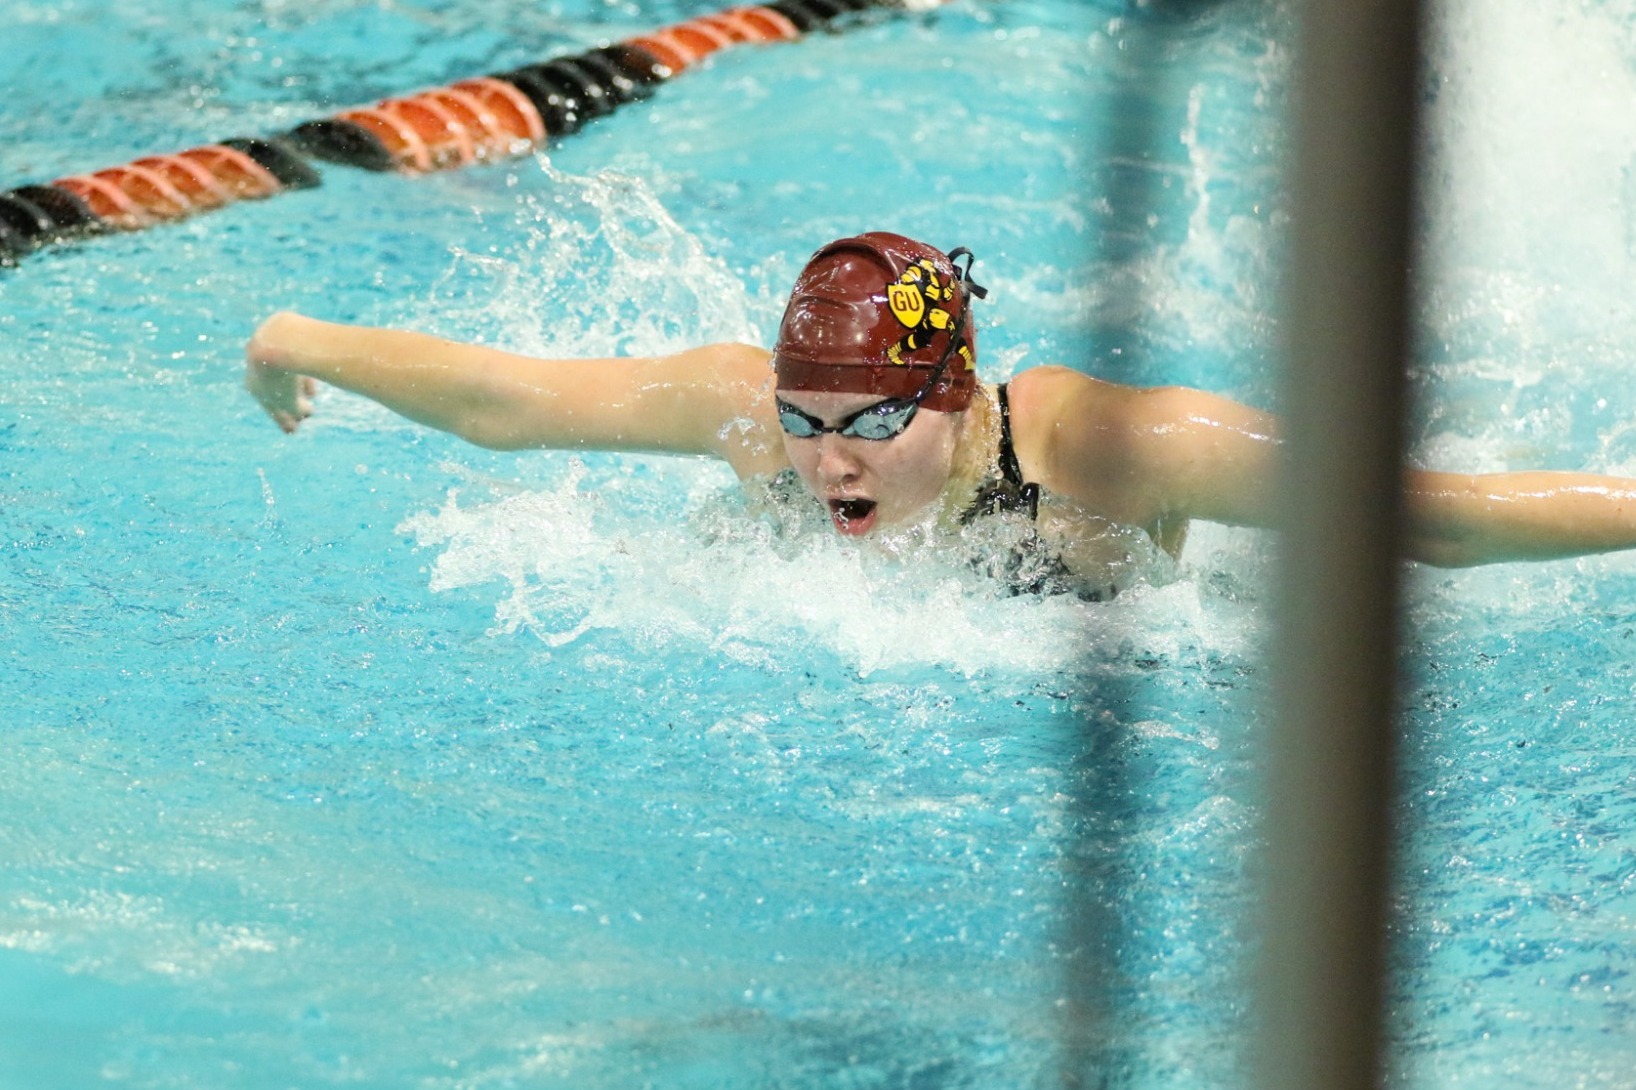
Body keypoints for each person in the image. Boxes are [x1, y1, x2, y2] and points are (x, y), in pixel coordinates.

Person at [246, 231, 1636, 596]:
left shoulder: (1100, 446)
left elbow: (1428, 518)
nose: (823, 462)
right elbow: (513, 402)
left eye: (863, 428)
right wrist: (299, 336)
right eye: (805, 419)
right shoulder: (757, 420)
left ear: (956, 400)